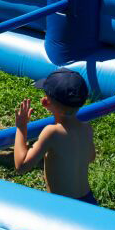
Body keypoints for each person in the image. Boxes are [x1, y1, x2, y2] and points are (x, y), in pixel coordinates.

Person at [13, 69, 97, 203]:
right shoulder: (87, 128)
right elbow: (91, 157)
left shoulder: (51, 132)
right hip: (88, 201)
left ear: (46, 102)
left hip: (62, 206)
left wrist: (21, 127)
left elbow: (21, 166)